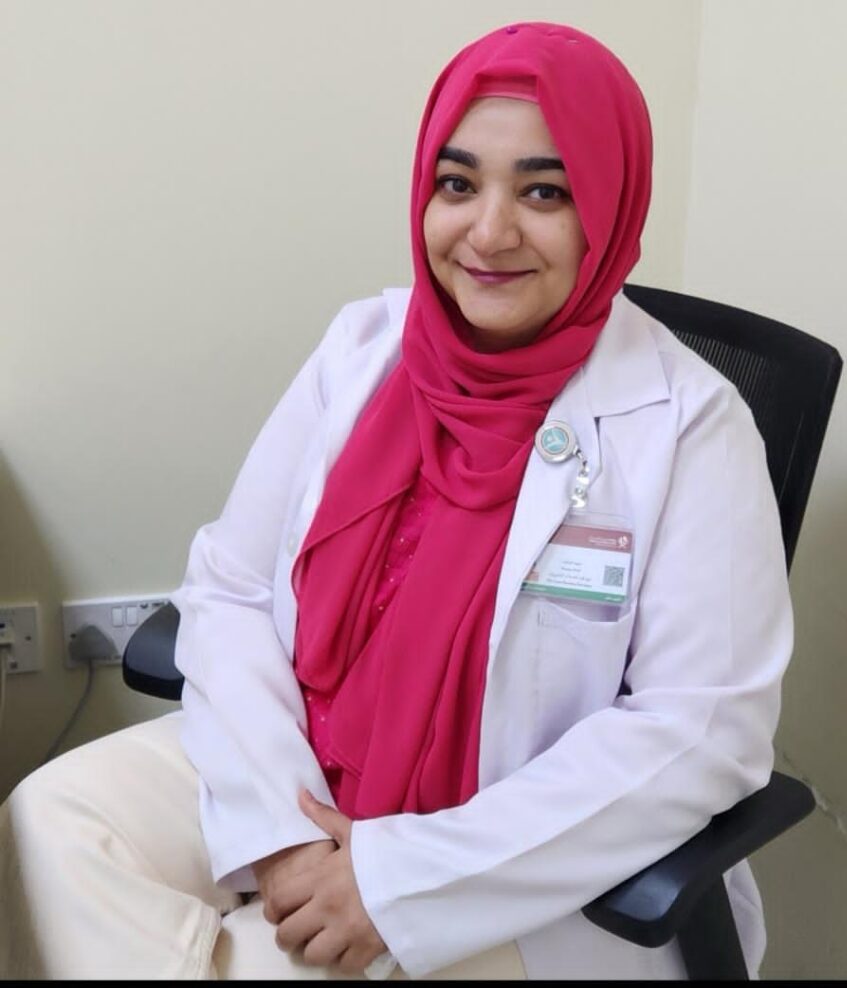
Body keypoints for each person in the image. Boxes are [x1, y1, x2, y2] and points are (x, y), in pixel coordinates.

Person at [0, 22, 792, 981]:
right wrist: (281, 831)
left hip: (519, 856)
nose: (489, 233)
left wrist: (397, 880)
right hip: (307, 760)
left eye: (544, 191)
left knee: (252, 962)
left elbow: (701, 733)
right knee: (55, 823)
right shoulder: (363, 348)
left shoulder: (691, 426)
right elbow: (232, 588)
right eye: (458, 184)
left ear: (608, 210)